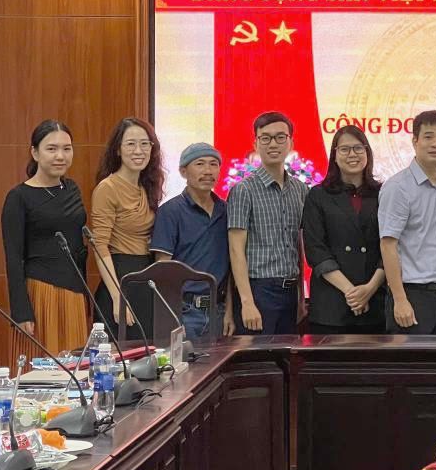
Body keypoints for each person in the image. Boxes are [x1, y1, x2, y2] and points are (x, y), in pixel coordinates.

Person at [0, 120, 89, 356]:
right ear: (35, 153)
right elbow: (13, 258)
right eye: (52, 149)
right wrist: (21, 311)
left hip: (75, 293)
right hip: (40, 292)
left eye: (67, 149)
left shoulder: (72, 189)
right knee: (40, 367)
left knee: (76, 367)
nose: (60, 156)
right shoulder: (18, 197)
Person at [226, 112, 308, 335]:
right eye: (266, 138)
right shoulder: (243, 190)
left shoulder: (300, 190)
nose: (273, 144)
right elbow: (235, 249)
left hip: (290, 291)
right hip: (258, 290)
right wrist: (247, 302)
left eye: (280, 137)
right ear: (256, 143)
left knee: (286, 353)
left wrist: (301, 297)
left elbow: (298, 244)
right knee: (257, 354)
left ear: (291, 142)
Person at [379, 110, 436, 334]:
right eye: (428, 136)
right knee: (411, 358)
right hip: (412, 296)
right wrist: (400, 299)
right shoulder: (398, 187)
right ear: (415, 141)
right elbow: (388, 245)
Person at [301, 125, 386, 334]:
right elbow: (316, 250)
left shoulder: (383, 193)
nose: (352, 154)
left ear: (367, 152)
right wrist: (351, 292)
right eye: (345, 149)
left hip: (375, 302)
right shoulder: (318, 195)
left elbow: (391, 246)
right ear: (335, 156)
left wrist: (369, 289)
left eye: (358, 148)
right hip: (332, 305)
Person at [150, 142, 230, 341]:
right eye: (200, 164)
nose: (208, 171)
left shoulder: (227, 210)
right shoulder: (170, 211)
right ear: (183, 172)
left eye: (213, 164)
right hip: (184, 312)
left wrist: (230, 310)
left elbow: (232, 268)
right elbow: (163, 269)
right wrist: (172, 318)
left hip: (219, 312)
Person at [91, 117, 162, 338]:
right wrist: (117, 296)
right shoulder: (107, 188)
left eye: (144, 144)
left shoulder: (147, 186)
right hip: (120, 279)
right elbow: (99, 246)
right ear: (118, 150)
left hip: (145, 279)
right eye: (131, 144)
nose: (138, 150)